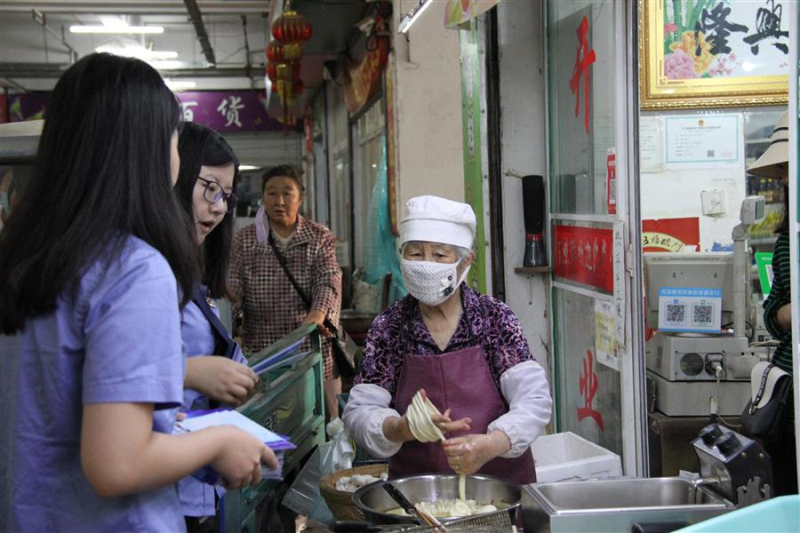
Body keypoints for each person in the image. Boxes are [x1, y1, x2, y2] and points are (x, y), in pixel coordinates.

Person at [0, 53, 277, 532]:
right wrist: (219, 442)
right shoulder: (132, 268)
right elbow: (118, 464)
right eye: (173, 137)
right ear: (147, 149)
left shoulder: (24, 257)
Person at [343, 196, 552, 484]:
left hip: (498, 489)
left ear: (466, 262)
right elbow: (358, 413)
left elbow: (534, 400)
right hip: (419, 492)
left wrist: (493, 443)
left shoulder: (494, 318)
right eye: (415, 253)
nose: (425, 264)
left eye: (440, 255)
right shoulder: (390, 327)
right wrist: (399, 428)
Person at [173, 122, 261, 530]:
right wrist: (191, 373)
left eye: (226, 195)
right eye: (209, 188)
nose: (220, 207)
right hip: (166, 486)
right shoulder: (146, 273)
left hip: (198, 485)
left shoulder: (191, 274)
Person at [230, 165, 343, 424]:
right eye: (271, 193)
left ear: (300, 197)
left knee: (321, 423)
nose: (279, 201)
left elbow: (328, 280)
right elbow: (233, 289)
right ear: (263, 197)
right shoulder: (245, 240)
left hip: (309, 346)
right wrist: (230, 327)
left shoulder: (318, 236)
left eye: (287, 193)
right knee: (269, 423)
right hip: (263, 351)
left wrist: (317, 315)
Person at [747, 110, 797, 496]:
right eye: (781, 171)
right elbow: (771, 310)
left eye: (787, 169)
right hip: (788, 391)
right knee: (786, 486)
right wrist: (784, 314)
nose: (783, 179)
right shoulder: (786, 241)